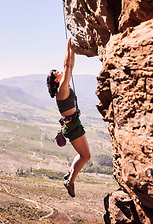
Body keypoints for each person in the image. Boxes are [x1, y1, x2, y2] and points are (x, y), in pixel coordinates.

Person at [46, 38, 91, 197]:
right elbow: (66, 65)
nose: (59, 71)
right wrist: (67, 44)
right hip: (72, 125)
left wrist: (72, 49)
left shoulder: (64, 87)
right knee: (86, 156)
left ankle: (70, 173)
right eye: (55, 73)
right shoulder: (62, 89)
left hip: (73, 123)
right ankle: (70, 182)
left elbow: (70, 66)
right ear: (56, 80)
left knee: (83, 155)